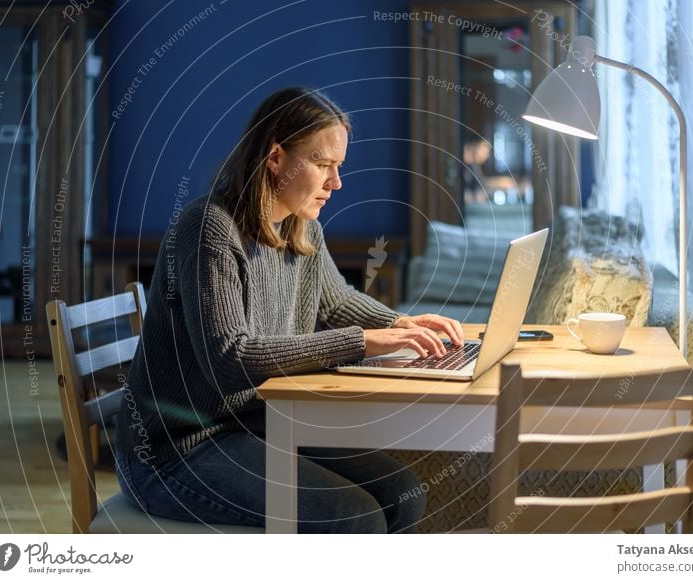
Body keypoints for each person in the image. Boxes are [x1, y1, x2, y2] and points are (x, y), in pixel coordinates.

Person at [114, 86, 465, 533]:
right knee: (355, 518)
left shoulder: (300, 227)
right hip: (175, 451)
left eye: (338, 168)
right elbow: (229, 359)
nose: (336, 182)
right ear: (275, 156)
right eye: (323, 165)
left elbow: (336, 301)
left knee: (402, 495)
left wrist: (401, 324)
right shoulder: (209, 230)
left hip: (255, 425)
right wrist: (361, 342)